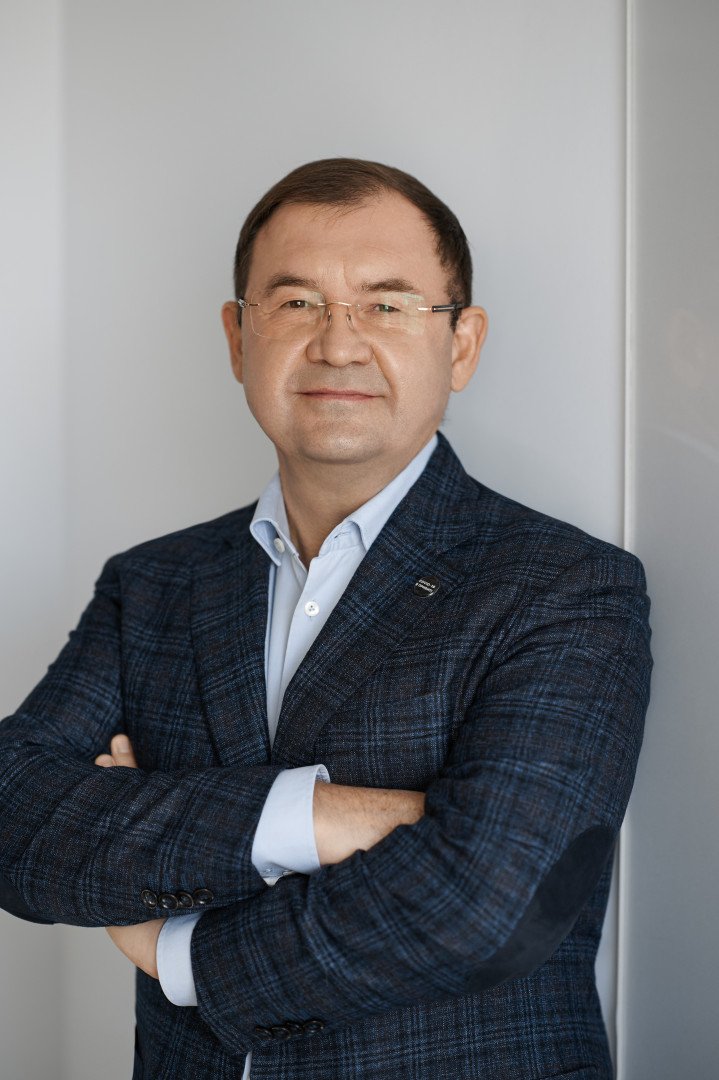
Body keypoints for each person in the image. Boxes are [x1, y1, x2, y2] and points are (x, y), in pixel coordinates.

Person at [0, 158, 652, 1079]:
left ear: (461, 344)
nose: (338, 344)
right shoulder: (153, 584)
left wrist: (179, 953)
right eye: (297, 302)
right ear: (238, 338)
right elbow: (14, 815)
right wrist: (319, 818)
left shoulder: (567, 587)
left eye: (387, 305)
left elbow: (490, 902)